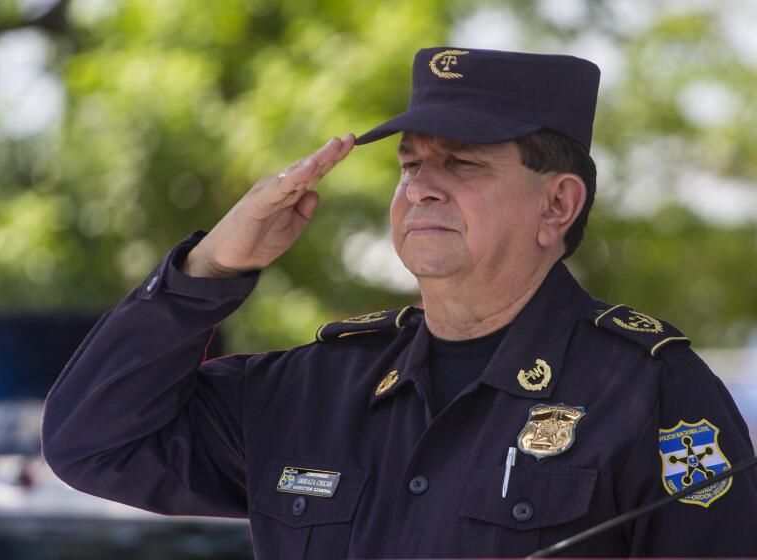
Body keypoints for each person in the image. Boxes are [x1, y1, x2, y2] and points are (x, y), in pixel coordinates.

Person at [40, 47, 757, 558]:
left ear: (558, 204)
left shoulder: (651, 391)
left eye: (463, 163)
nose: (421, 187)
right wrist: (209, 268)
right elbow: (93, 444)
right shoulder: (315, 389)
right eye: (410, 163)